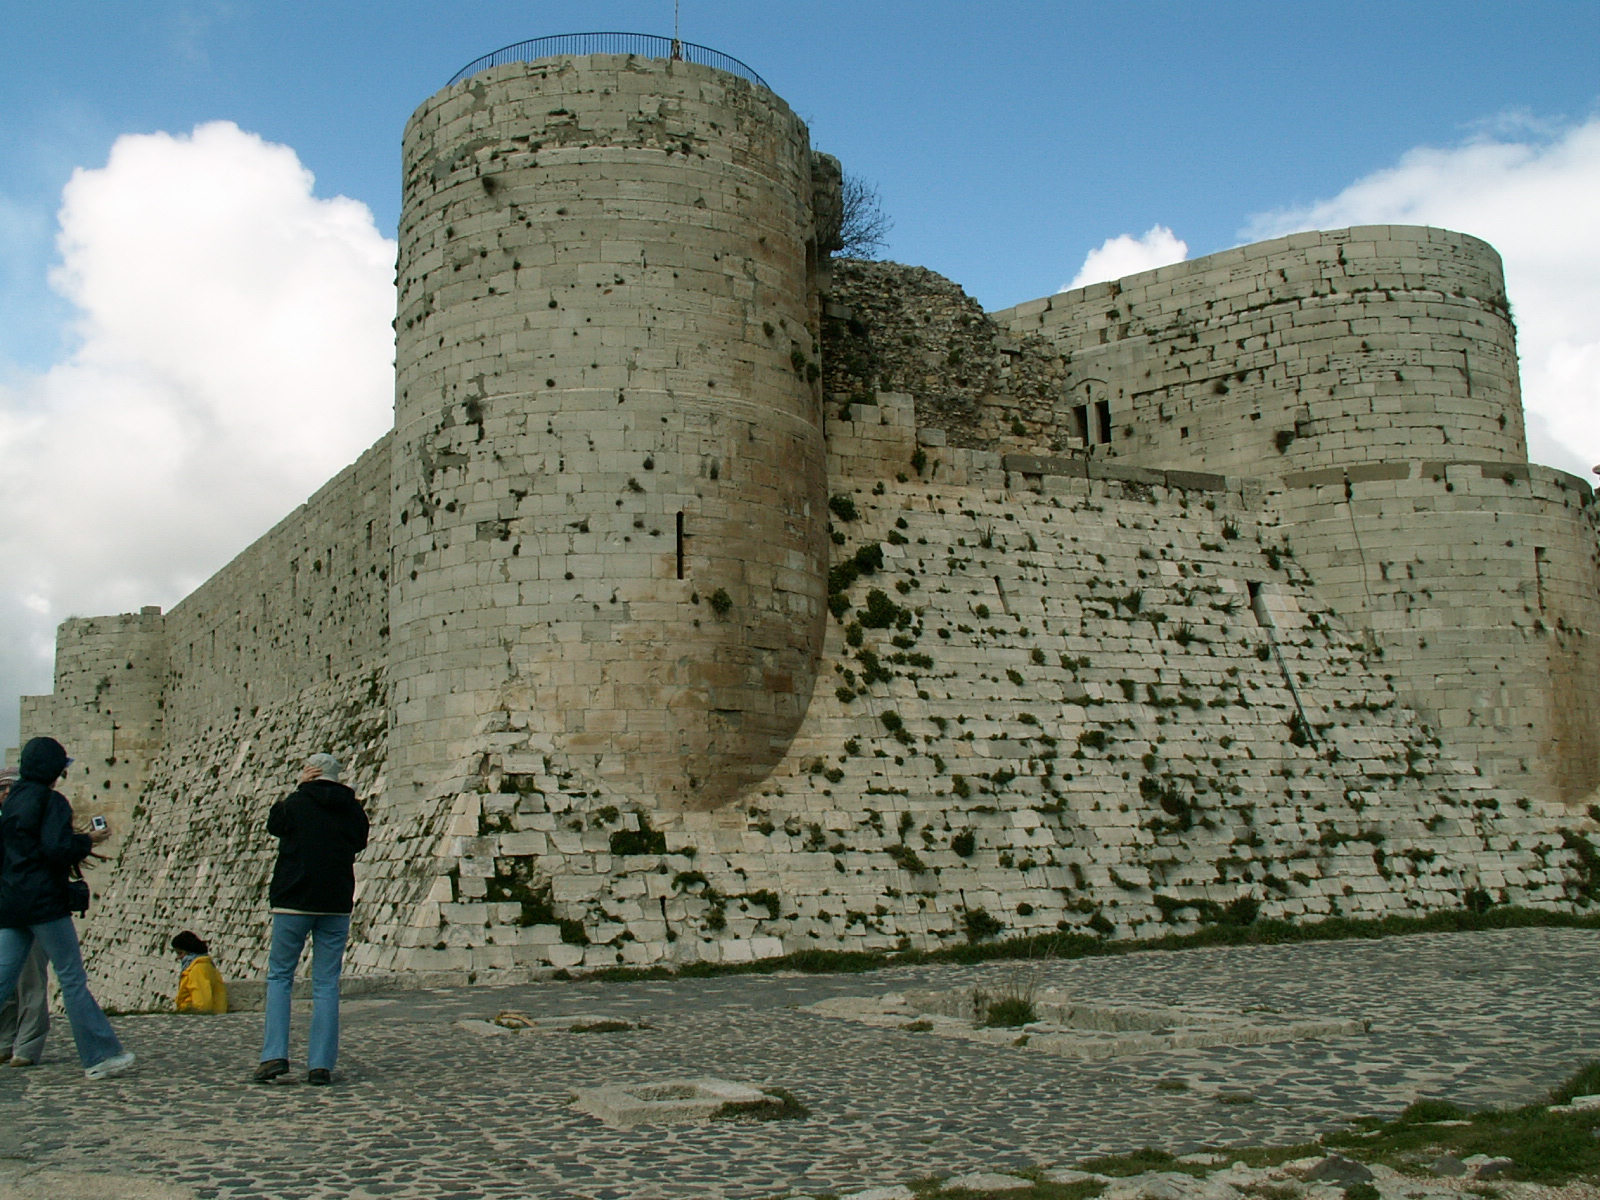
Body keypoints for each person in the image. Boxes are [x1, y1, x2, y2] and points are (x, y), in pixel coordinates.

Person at [0, 737, 133, 1080]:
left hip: (11, 903)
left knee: (2, 978)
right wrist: (88, 841)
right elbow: (56, 849)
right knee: (72, 978)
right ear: (54, 770)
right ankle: (100, 1055)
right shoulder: (52, 801)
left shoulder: (12, 801)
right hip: (44, 904)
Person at [255, 753, 367, 1087]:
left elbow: (274, 824)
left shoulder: (296, 803)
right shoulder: (353, 809)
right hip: (335, 903)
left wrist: (297, 790)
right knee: (326, 983)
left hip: (293, 902)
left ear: (309, 774)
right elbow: (359, 841)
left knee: (280, 978)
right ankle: (320, 1064)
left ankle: (274, 1055)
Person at [0, 767, 49, 1067]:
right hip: (5, 911)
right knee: (5, 982)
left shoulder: (38, 820)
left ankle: (28, 1046)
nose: (6, 792)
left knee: (31, 980)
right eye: (2, 787)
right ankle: (4, 1042)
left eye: (10, 787)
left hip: (34, 908)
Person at [172, 930, 228, 1013]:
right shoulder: (205, 965)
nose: (178, 957)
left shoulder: (198, 969)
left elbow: (202, 1004)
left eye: (180, 953)